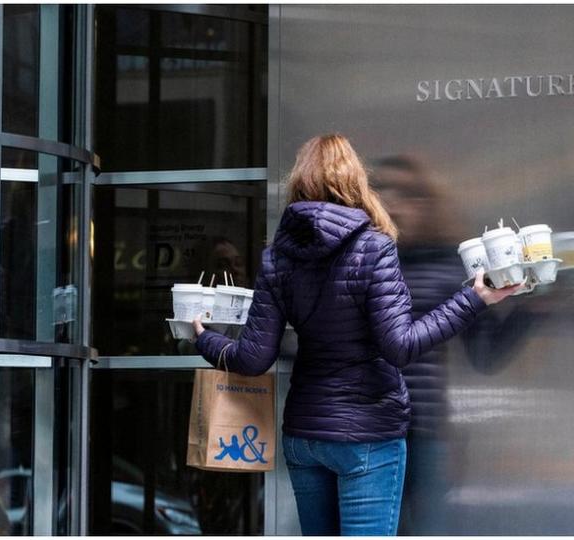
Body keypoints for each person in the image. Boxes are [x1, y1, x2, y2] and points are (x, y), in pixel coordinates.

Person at [191, 133, 521, 536]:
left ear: (300, 183)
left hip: (305, 436)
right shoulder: (375, 247)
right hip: (369, 434)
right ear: (354, 182)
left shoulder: (277, 258)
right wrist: (474, 298)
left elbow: (253, 359)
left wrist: (204, 336)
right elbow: (400, 346)